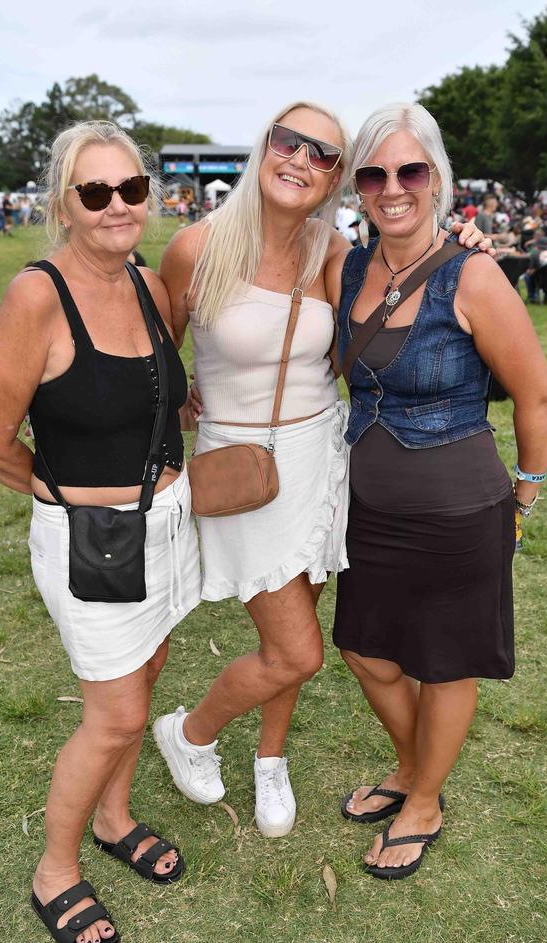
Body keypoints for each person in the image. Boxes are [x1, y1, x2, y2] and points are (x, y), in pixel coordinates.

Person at [153, 101, 493, 840]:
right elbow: (150, 350)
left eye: (326, 155)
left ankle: (270, 758)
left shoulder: (334, 253)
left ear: (337, 181)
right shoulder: (195, 247)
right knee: (298, 651)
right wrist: (180, 399)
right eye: (290, 141)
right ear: (264, 145)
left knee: (297, 628)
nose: (302, 159)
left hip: (320, 456)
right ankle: (191, 731)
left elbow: (399, 283)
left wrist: (463, 237)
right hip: (241, 466)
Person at [0, 121, 201, 943]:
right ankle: (55, 872)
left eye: (131, 189)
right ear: (64, 204)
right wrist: (62, 498)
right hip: (92, 538)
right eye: (95, 193)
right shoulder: (38, 293)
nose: (117, 207)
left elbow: (165, 397)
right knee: (114, 714)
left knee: (149, 676)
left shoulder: (146, 284)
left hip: (171, 524)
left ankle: (114, 817)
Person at [327, 102, 547, 880]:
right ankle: (410, 763)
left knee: (446, 662)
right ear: (357, 187)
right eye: (374, 173)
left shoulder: (475, 271)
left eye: (410, 171)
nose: (393, 188)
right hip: (368, 507)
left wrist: (525, 496)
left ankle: (424, 801)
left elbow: (539, 395)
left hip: (460, 509)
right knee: (363, 650)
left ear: (437, 179)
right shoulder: (351, 267)